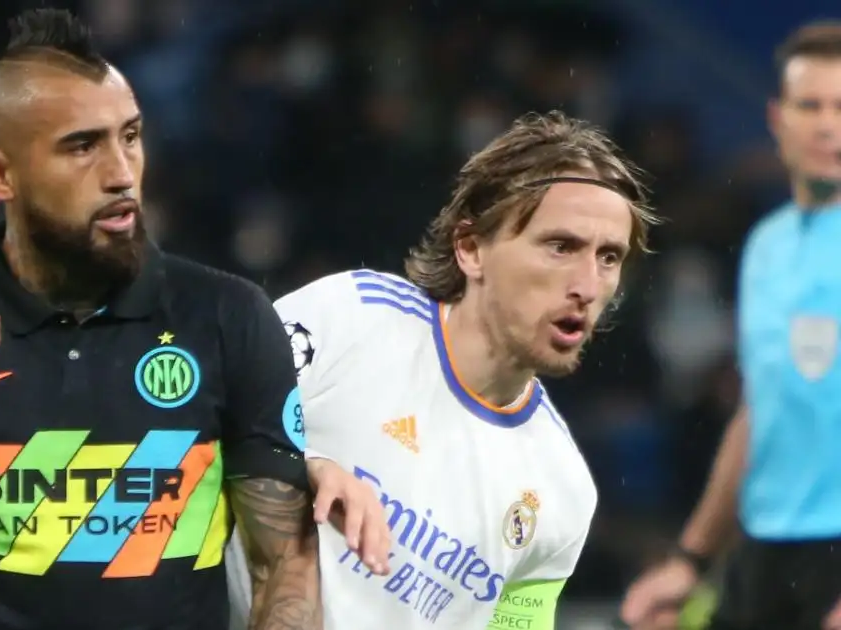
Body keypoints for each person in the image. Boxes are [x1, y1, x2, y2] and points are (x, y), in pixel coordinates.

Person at [0, 9, 387, 630]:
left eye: (130, 135)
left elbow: (283, 566)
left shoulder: (229, 318)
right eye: (82, 146)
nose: (121, 174)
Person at [227, 110, 660, 629]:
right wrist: (304, 465)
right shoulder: (350, 318)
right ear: (471, 247)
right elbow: (195, 424)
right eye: (560, 246)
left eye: (608, 257)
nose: (587, 286)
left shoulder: (563, 488)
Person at [620, 21, 841, 630]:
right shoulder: (765, 247)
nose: (827, 123)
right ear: (778, 117)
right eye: (811, 105)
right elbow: (756, 414)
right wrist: (689, 561)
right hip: (763, 552)